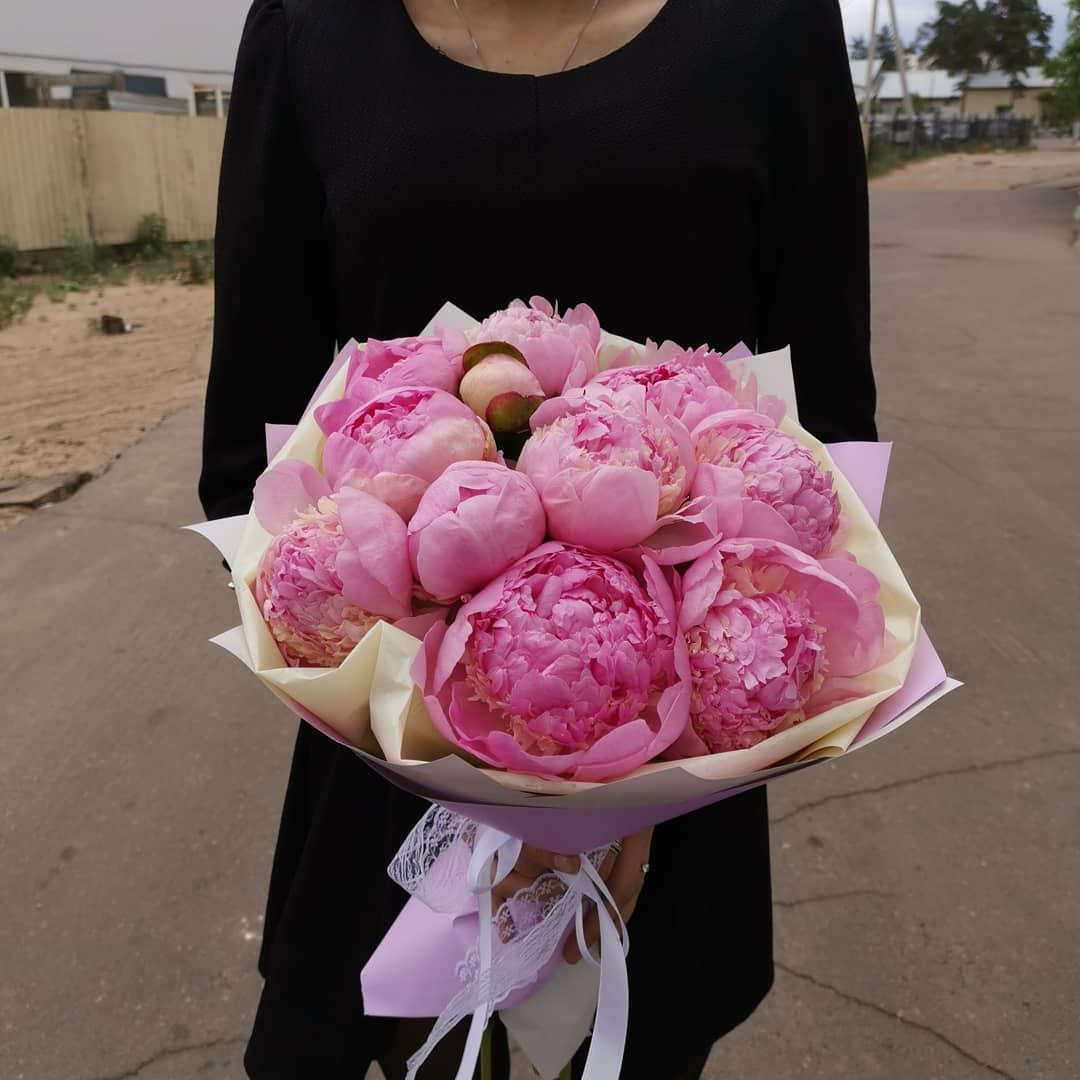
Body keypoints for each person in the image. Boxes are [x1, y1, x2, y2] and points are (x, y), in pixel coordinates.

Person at [199, 0, 877, 1076]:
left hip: (684, 773)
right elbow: (250, 442)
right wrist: (434, 742)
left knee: (634, 1041)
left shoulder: (771, 25)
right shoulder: (307, 28)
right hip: (387, 756)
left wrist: (648, 768)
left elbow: (831, 435)